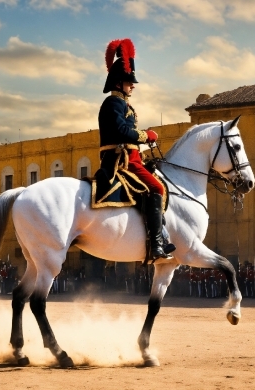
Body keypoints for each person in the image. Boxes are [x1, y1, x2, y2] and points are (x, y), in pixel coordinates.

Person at [97, 38, 174, 260]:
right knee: (157, 189)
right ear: (118, 83)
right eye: (129, 82)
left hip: (132, 157)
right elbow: (122, 131)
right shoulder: (113, 104)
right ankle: (156, 244)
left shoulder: (123, 104)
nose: (132, 85)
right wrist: (146, 136)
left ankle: (158, 235)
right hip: (122, 161)